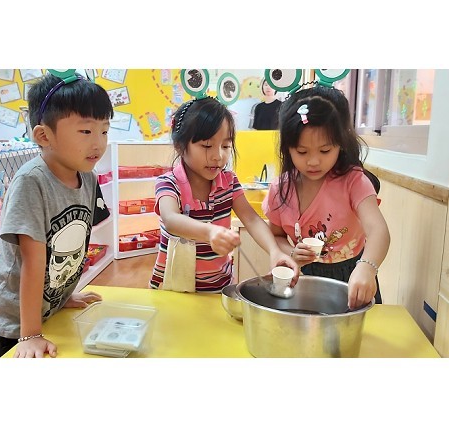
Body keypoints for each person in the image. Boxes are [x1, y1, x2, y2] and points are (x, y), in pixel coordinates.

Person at [0, 72, 114, 358]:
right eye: (86, 132)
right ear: (43, 135)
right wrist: (30, 334)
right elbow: (33, 262)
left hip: (44, 311)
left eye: (104, 131)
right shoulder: (31, 182)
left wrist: (62, 297)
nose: (98, 143)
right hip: (11, 323)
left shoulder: (87, 178)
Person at [150, 96, 298, 292]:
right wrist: (209, 232)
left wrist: (274, 251)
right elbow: (171, 219)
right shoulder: (169, 183)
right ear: (180, 146)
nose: (218, 156)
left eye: (226, 146)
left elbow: (251, 219)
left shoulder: (228, 181)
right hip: (173, 288)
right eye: (207, 146)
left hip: (219, 286)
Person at [262, 85, 390, 309]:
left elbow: (379, 230)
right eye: (302, 152)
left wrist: (367, 267)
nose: (313, 161)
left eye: (325, 151)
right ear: (288, 149)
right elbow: (276, 235)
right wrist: (291, 252)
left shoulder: (353, 182)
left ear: (340, 145)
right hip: (304, 277)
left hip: (352, 275)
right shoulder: (281, 188)